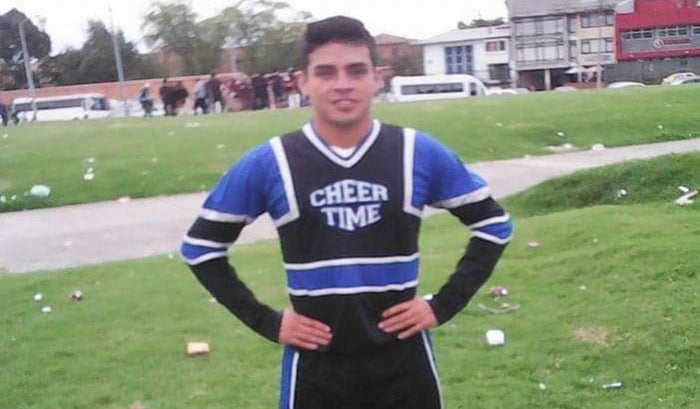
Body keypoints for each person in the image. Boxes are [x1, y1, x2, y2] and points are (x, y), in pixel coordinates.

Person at [180, 15, 512, 409]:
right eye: (326, 72)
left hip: (405, 366)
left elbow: (493, 225)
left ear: (376, 78)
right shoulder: (272, 162)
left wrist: (442, 305)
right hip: (316, 370)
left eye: (356, 71)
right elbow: (200, 248)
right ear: (302, 82)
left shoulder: (416, 153)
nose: (342, 84)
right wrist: (269, 322)